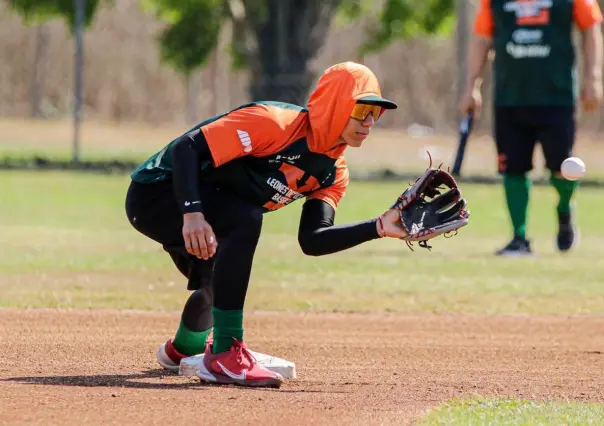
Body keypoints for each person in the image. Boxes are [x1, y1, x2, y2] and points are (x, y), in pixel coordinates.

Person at [125, 62, 408, 388]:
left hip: (208, 201)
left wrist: (378, 227)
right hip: (157, 191)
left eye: (377, 113)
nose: (370, 122)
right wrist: (192, 214)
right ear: (336, 104)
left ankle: (183, 350)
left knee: (220, 276)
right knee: (244, 221)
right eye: (362, 109)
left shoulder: (334, 172)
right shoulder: (274, 123)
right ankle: (225, 354)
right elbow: (186, 148)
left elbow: (313, 240)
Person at [459, 0, 603, 256]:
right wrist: (472, 86)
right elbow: (481, 38)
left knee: (562, 168)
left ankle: (564, 209)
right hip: (509, 98)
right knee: (513, 169)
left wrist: (593, 77)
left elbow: (592, 27)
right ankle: (519, 238)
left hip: (556, 97)